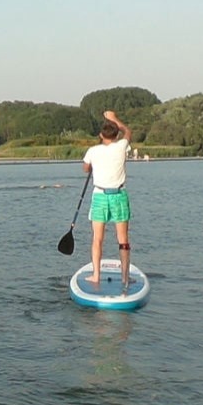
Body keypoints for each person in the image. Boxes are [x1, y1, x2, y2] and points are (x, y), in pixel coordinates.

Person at [82, 109, 133, 290]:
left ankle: (96, 275)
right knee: (123, 240)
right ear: (116, 135)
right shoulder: (121, 147)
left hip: (100, 197)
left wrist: (94, 163)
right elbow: (128, 132)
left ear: (101, 135)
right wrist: (114, 118)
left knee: (97, 239)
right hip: (119, 195)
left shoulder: (93, 150)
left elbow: (86, 169)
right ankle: (125, 278)